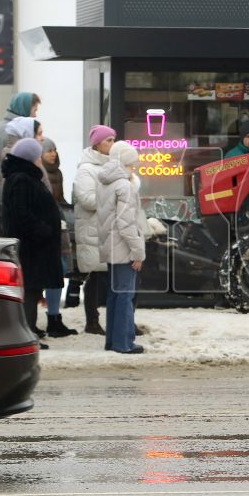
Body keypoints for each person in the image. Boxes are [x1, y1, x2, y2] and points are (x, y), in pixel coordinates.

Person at [0, 138, 63, 349]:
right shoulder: (21, 179)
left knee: (34, 290)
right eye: (37, 156)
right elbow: (21, 214)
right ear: (29, 158)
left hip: (35, 246)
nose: (40, 159)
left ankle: (30, 332)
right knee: (30, 290)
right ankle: (26, 336)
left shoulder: (24, 176)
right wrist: (43, 229)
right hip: (31, 247)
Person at [97, 140, 146, 355]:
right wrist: (138, 252)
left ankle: (112, 341)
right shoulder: (124, 185)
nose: (133, 167)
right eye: (132, 163)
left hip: (111, 245)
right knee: (125, 295)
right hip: (124, 247)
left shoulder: (105, 182)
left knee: (114, 294)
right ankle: (124, 342)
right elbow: (126, 224)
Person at [74, 125, 116, 336]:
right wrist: (113, 197)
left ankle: (119, 320)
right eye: (109, 140)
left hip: (109, 229)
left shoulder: (113, 165)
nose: (112, 143)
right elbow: (88, 200)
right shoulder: (86, 169)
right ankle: (92, 321)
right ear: (97, 143)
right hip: (93, 231)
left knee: (113, 278)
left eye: (113, 139)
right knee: (96, 277)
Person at [0, 92, 39, 235]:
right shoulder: (15, 131)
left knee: (0, 243)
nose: (35, 115)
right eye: (34, 110)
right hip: (8, 197)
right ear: (25, 108)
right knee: (13, 244)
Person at [40, 137, 78, 338]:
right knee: (55, 269)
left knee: (60, 269)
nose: (53, 153)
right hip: (48, 226)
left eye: (54, 149)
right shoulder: (39, 174)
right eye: (48, 150)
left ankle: (54, 316)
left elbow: (59, 199)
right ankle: (51, 316)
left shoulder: (58, 173)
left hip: (59, 224)